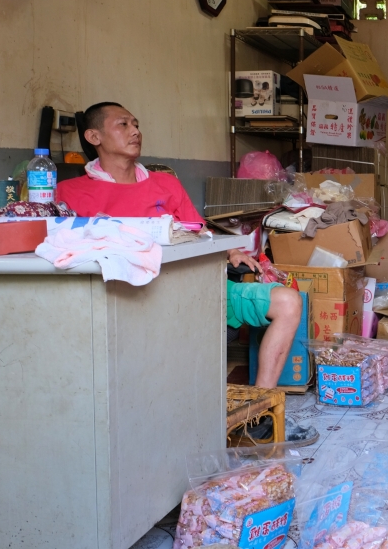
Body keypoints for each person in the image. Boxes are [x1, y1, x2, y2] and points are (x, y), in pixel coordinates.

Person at [57, 102, 318, 443]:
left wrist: (231, 250)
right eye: (123, 124)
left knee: (287, 302)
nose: (136, 131)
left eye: (137, 123)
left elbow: (199, 232)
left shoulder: (165, 185)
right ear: (94, 136)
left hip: (194, 292)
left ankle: (256, 415)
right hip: (126, 303)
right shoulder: (69, 194)